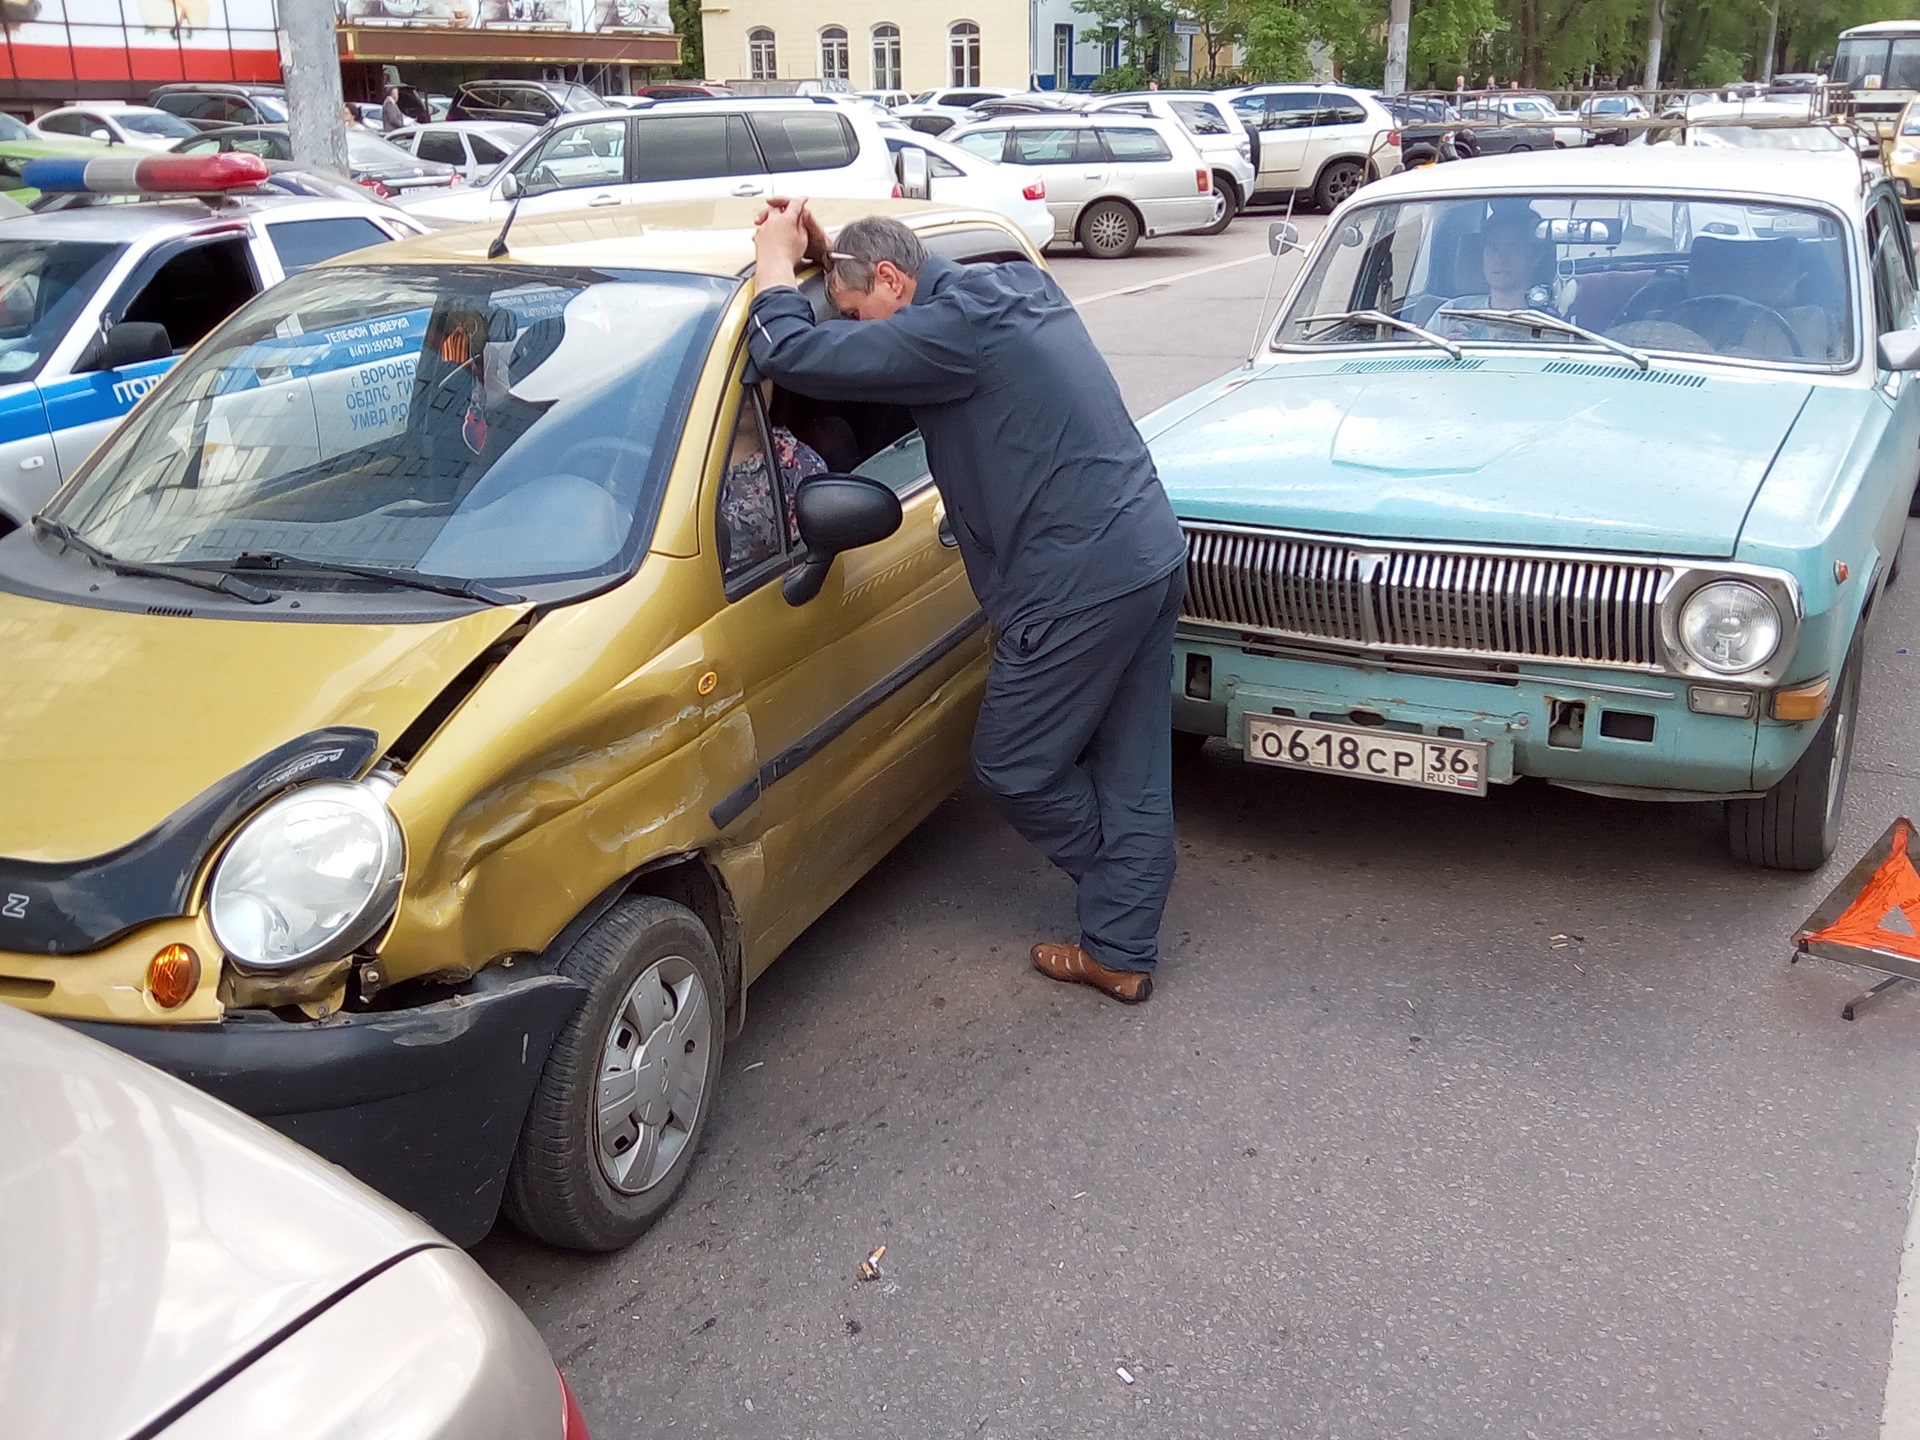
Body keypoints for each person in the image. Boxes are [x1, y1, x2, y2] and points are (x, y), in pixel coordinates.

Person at [747, 202, 1186, 1005]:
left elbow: (788, 351)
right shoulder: (1008, 288)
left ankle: (1125, 891)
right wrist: (826, 248)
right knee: (1131, 761)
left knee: (1013, 766)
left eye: (855, 313)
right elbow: (871, 301)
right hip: (1144, 550)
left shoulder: (950, 332)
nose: (857, 332)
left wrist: (777, 264)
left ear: (891, 278)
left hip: (1075, 583)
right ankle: (1121, 946)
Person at [1435, 201, 1555, 338]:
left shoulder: (1550, 322)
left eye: (1513, 248)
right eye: (1493, 247)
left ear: (1536, 256)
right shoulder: (1450, 313)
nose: (1501, 258)